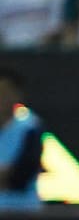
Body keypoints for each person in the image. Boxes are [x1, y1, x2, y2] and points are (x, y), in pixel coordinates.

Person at [0, 66, 43, 210]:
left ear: (17, 94)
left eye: (6, 92)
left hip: (24, 210)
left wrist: (9, 176)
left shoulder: (31, 126)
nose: (2, 97)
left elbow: (22, 175)